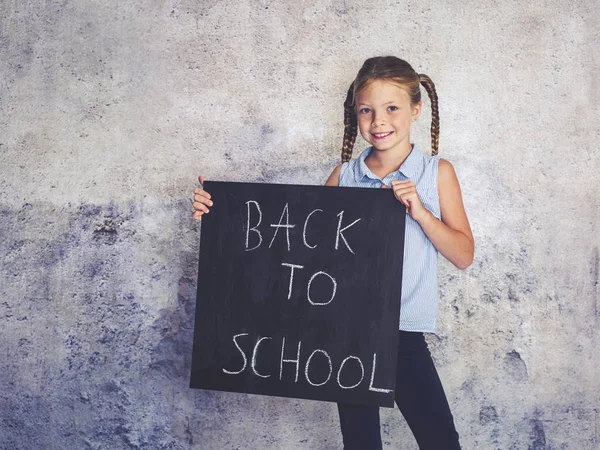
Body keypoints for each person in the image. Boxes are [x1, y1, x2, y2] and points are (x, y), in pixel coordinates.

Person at [192, 56, 474, 450]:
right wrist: (222, 214)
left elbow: (463, 255)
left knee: (441, 440)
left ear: (415, 109)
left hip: (403, 333)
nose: (378, 121)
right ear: (355, 115)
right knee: (360, 444)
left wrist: (421, 213)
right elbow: (298, 247)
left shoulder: (435, 173)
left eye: (391, 108)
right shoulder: (344, 177)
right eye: (366, 110)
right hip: (347, 334)